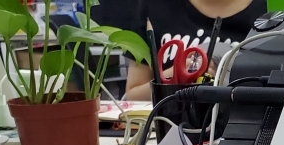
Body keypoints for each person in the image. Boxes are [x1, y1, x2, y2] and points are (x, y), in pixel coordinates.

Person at [92, 0, 267, 100]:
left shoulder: (271, 9)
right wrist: (176, 76)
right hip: (167, 130)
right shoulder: (156, 6)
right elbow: (133, 96)